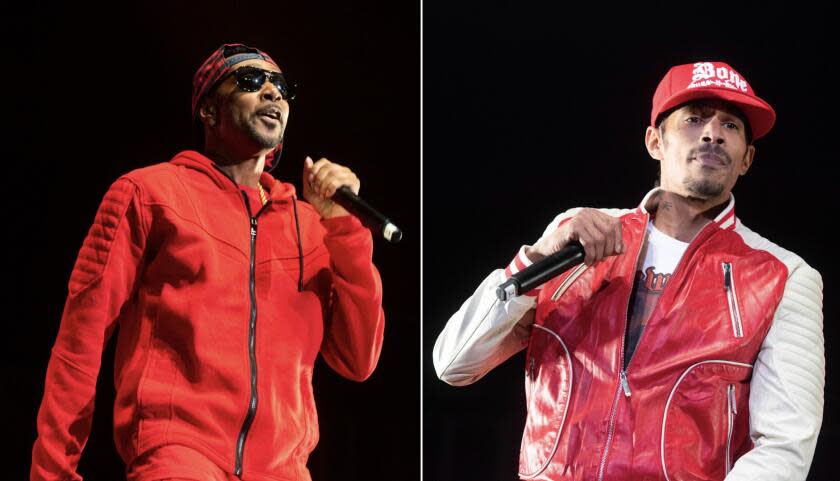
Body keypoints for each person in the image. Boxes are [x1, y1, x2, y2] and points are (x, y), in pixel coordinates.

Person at [433, 61, 824, 481]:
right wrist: (532, 262)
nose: (712, 133)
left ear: (746, 158)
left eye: (730, 125)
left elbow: (784, 447)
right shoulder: (576, 234)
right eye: (694, 119)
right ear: (654, 141)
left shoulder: (783, 275)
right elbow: (454, 363)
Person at [31, 43, 385, 481]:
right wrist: (51, 472)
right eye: (252, 81)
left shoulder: (309, 226)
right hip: (178, 457)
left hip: (285, 471)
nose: (273, 93)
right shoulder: (149, 194)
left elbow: (358, 358)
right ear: (208, 110)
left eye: (282, 87)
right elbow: (78, 343)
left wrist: (344, 229)